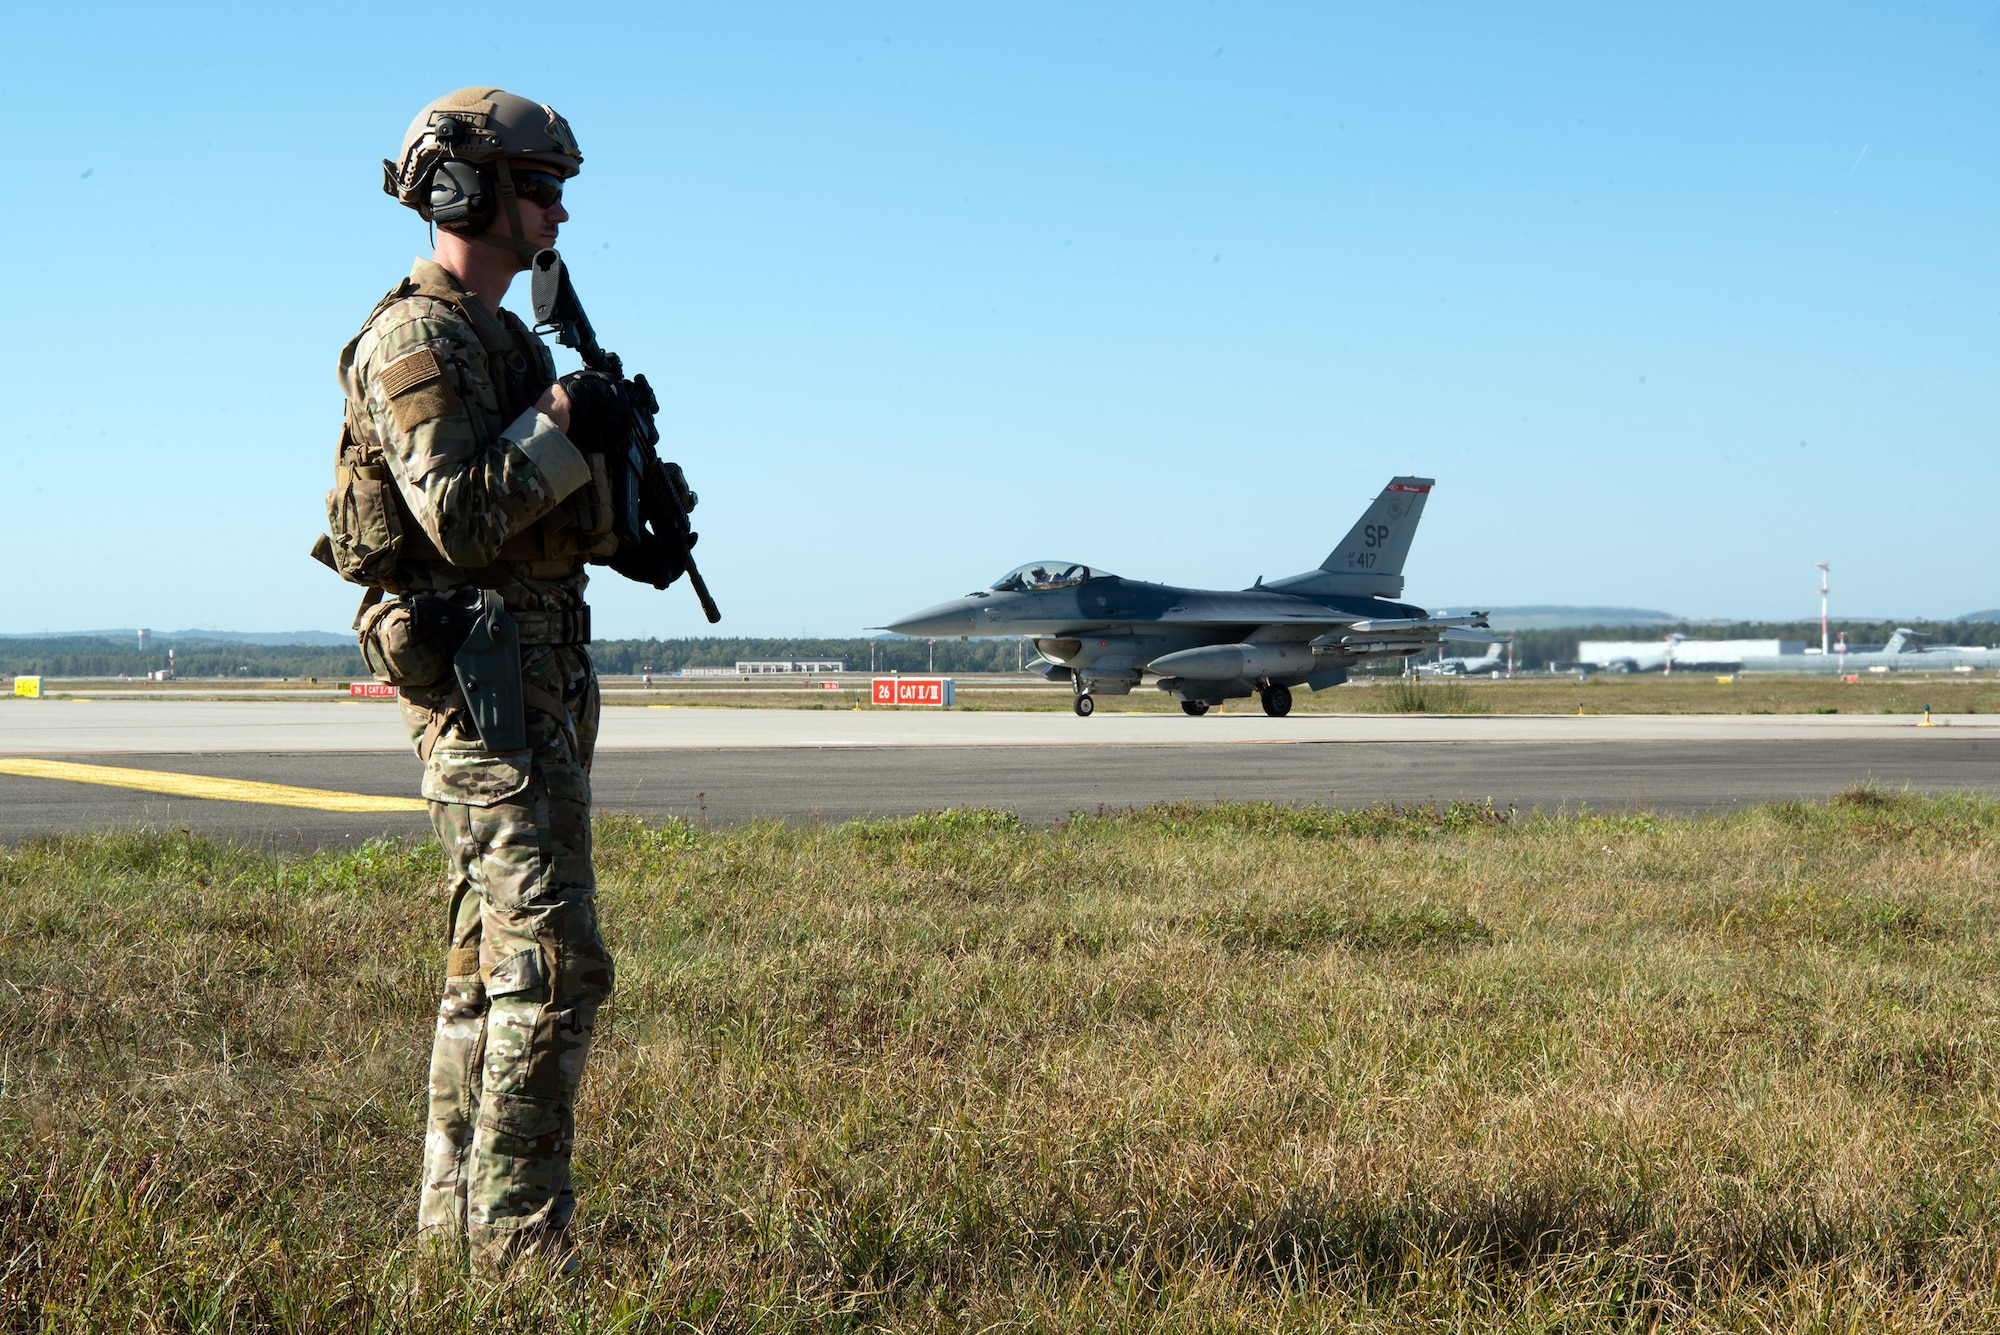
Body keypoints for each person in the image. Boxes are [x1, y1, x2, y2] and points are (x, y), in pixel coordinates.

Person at [319, 86, 660, 1278]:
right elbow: (460, 521)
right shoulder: (415, 339)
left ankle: (450, 1241)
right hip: (484, 687)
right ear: (463, 189)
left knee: (488, 969)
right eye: (539, 186)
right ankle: (518, 1253)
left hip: (539, 675)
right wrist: (563, 422)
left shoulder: (510, 339)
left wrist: (629, 504)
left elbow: (539, 524)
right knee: (556, 966)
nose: (557, 211)